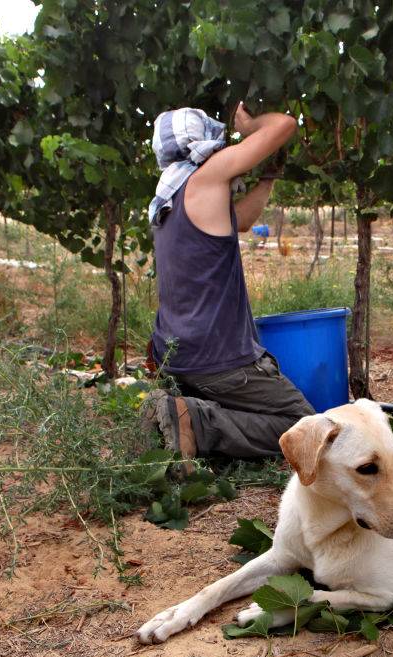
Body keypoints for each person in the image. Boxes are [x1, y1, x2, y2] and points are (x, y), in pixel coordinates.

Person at [140, 103, 314, 472]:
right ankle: (199, 424)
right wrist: (251, 125)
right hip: (216, 357)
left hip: (177, 354)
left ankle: (182, 415)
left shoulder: (170, 199)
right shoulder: (207, 176)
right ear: (200, 141)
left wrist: (267, 178)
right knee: (303, 428)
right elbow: (283, 125)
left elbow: (243, 219)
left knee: (259, 415)